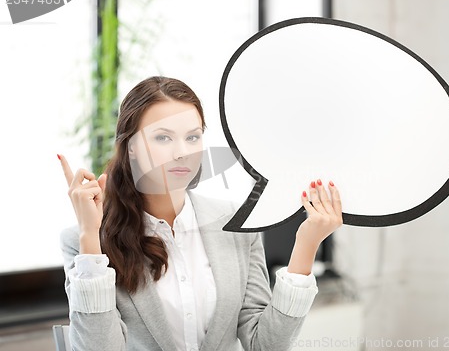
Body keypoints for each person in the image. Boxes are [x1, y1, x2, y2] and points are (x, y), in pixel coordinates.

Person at [58, 76, 343, 351]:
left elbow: (266, 345)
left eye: (192, 137)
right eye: (163, 138)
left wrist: (307, 243)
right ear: (131, 146)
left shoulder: (235, 224)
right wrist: (90, 241)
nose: (182, 152)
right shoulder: (84, 241)